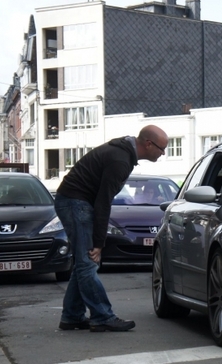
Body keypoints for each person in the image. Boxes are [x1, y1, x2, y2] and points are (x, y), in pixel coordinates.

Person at [55, 125, 168, 332]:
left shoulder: (122, 153)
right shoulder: (120, 160)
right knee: (88, 262)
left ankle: (71, 316)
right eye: (162, 149)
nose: (163, 154)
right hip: (76, 203)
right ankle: (102, 316)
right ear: (148, 144)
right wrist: (99, 243)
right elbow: (103, 202)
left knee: (83, 263)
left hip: (74, 201)